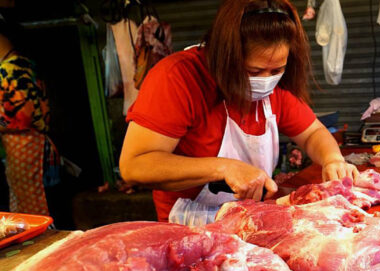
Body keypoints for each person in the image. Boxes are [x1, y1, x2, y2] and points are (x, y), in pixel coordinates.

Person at [119, 0, 357, 222]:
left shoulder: (274, 87)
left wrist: (332, 159)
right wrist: (224, 167)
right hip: (192, 223)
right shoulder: (177, 78)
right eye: (254, 72)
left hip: (251, 218)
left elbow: (312, 132)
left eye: (277, 70)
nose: (266, 80)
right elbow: (135, 165)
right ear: (224, 57)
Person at [0, 15, 57, 216]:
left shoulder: (12, 68)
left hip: (26, 144)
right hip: (23, 145)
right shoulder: (18, 63)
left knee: (33, 206)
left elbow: (22, 115)